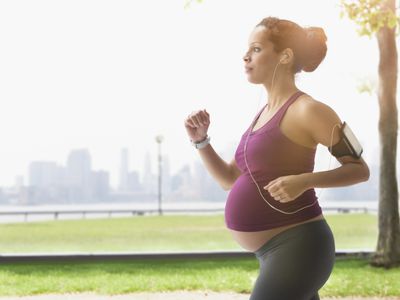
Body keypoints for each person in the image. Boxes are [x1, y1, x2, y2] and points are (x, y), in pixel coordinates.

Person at [184, 16, 370, 300]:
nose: (246, 56)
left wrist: (304, 181)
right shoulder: (262, 114)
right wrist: (201, 141)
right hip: (272, 252)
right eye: (247, 49)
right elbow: (229, 179)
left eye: (257, 49)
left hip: (300, 247)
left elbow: (359, 169)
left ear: (285, 56)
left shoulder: (309, 110)